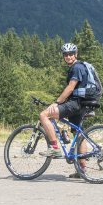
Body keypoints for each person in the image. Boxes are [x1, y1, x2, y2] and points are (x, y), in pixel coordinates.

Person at [38, 42, 91, 179]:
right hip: (81, 103)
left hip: (75, 104)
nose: (68, 56)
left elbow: (70, 88)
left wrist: (56, 102)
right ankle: (82, 170)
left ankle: (54, 148)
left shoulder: (77, 67)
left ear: (76, 54)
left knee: (44, 115)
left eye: (71, 54)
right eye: (66, 54)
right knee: (78, 133)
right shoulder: (79, 67)